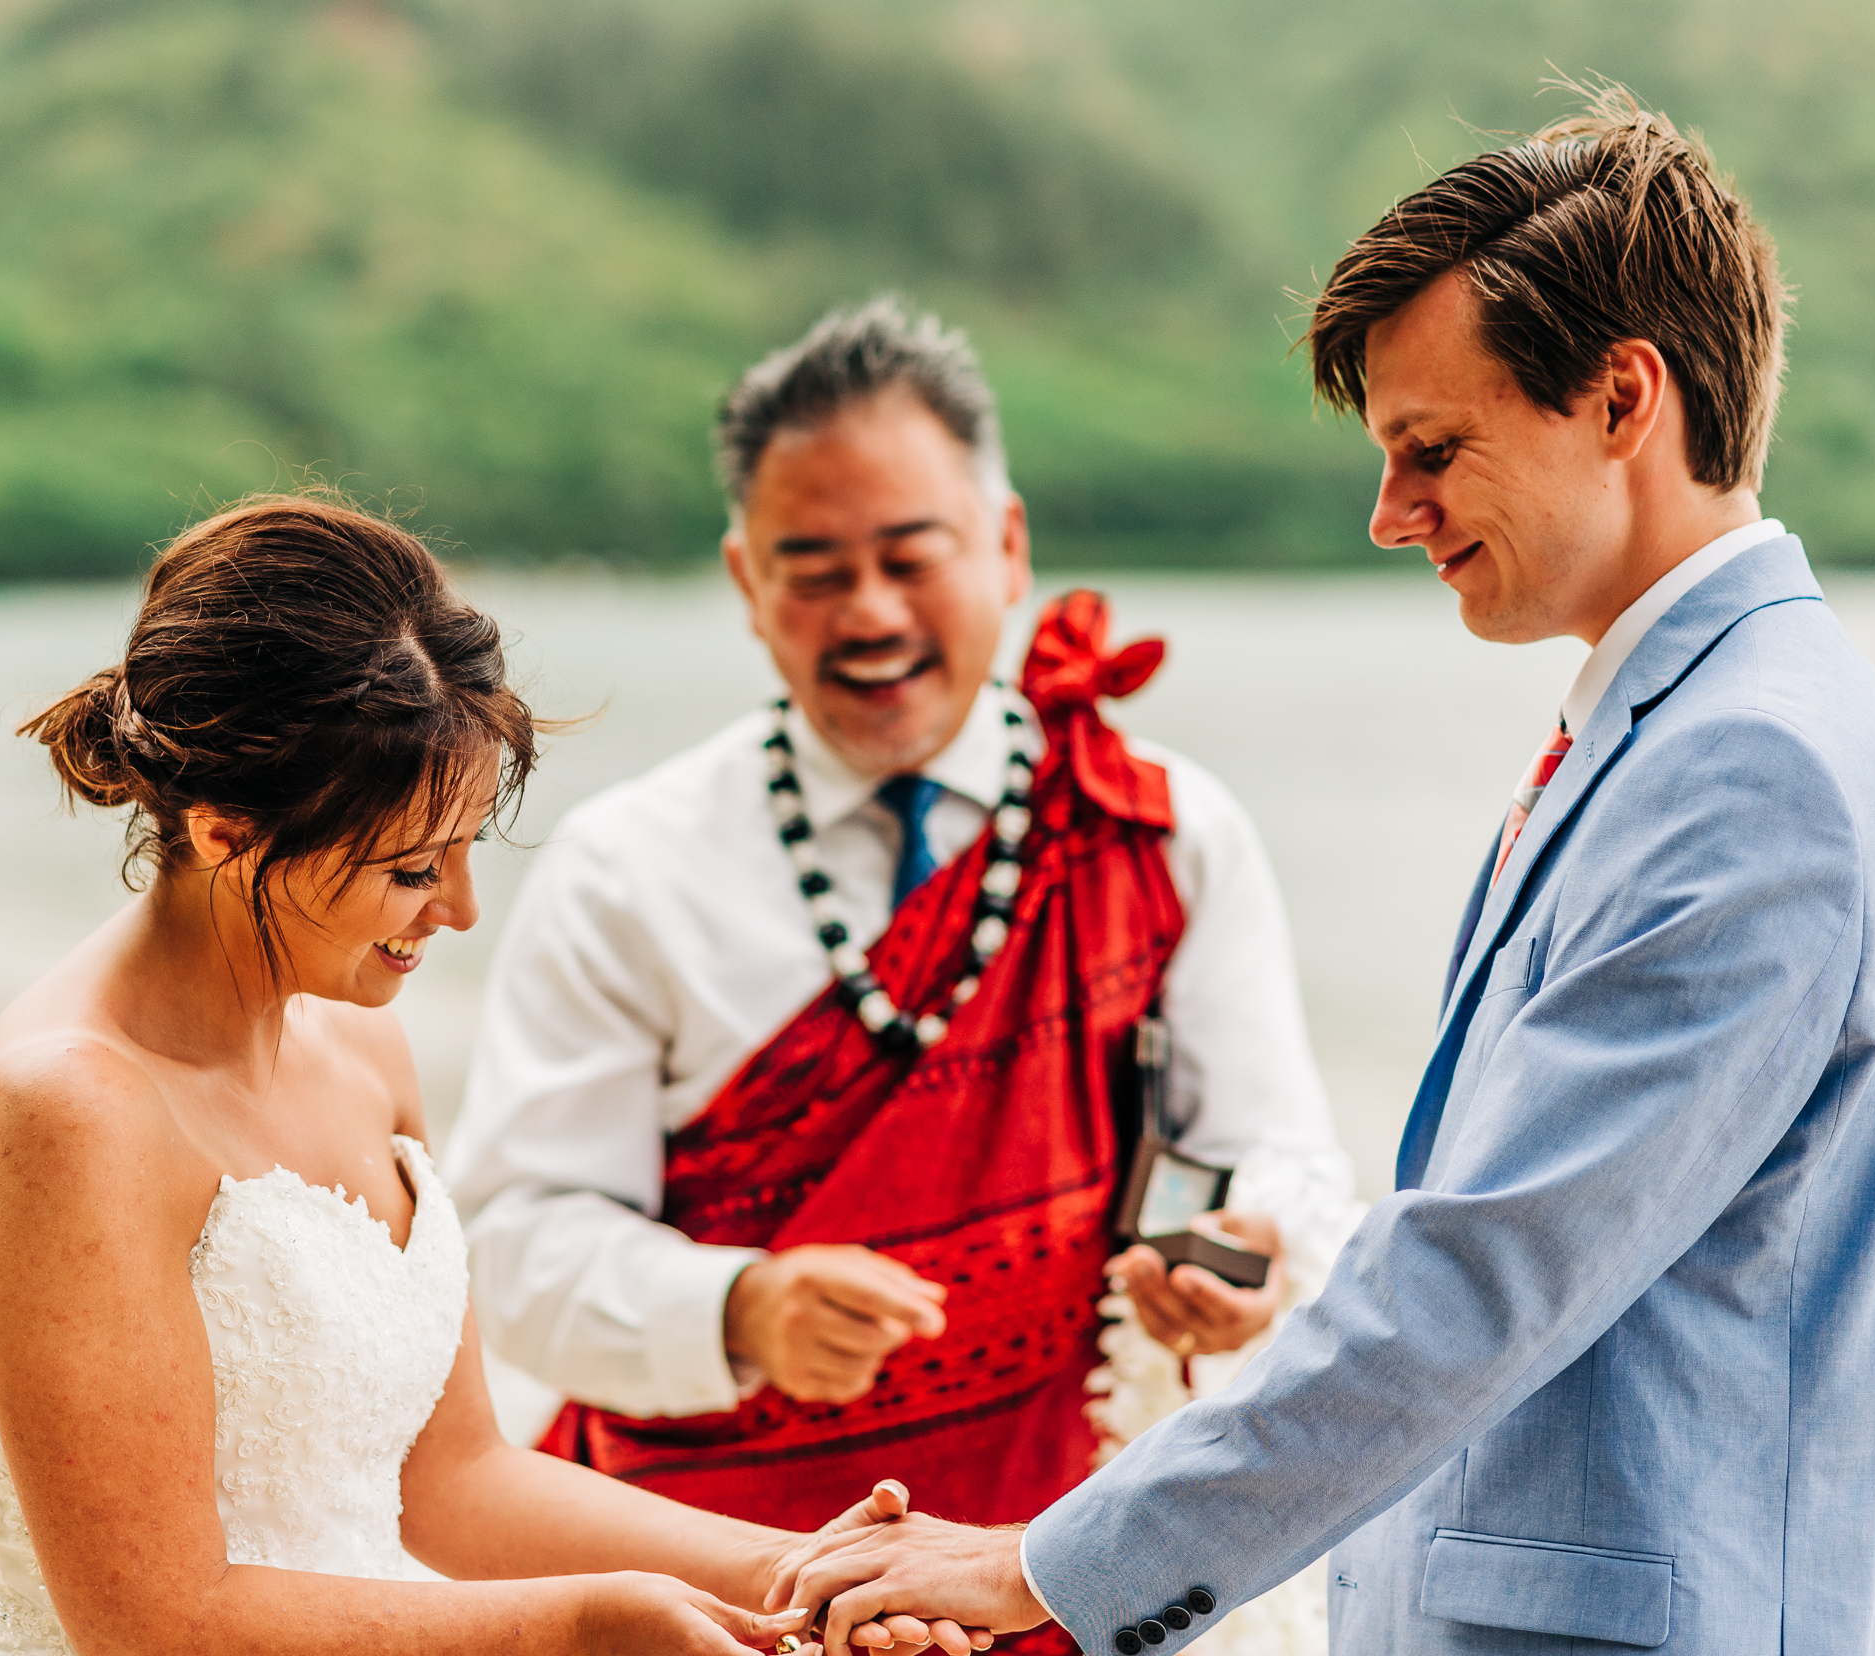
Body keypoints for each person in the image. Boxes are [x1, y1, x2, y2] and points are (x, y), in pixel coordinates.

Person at [775, 87, 1875, 1656]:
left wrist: (1043, 1569)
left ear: (1623, 399)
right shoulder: (1709, 723)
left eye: (1431, 448)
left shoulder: (1756, 769)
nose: (1391, 514)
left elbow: (1484, 1273)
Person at [0, 495, 988, 1656]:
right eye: (414, 868)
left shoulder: (357, 1041)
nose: (463, 911)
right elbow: (156, 1622)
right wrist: (584, 1624)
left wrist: (796, 1570)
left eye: (469, 848)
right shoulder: (71, 1111)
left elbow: (456, 1480)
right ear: (223, 831)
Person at [443, 302, 1358, 1652]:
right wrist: (738, 1306)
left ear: (1006, 547)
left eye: (907, 557)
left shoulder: (1160, 831)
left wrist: (1251, 1265)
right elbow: (510, 1248)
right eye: (811, 568)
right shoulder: (624, 869)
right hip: (713, 1595)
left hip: (1044, 1572)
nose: (867, 613)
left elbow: (1276, 1162)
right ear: (747, 584)